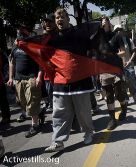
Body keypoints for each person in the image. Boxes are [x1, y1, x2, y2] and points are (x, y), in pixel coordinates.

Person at [44, 8, 95, 152]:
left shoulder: (80, 34)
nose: (59, 20)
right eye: (57, 18)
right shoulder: (51, 39)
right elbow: (42, 53)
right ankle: (58, 141)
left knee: (83, 112)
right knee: (59, 113)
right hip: (60, 82)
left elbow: (92, 50)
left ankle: (88, 133)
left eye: (62, 17)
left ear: (68, 19)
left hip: (81, 82)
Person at [7, 25, 43, 138]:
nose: (20, 31)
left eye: (23, 29)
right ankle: (40, 112)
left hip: (31, 78)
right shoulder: (15, 47)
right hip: (18, 79)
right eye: (19, 30)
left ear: (28, 32)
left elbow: (41, 63)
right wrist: (10, 78)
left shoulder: (33, 46)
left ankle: (35, 125)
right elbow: (11, 62)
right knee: (22, 103)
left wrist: (39, 77)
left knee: (32, 102)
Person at [99, 17, 128, 130]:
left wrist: (112, 55)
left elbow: (123, 52)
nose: (103, 23)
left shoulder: (117, 36)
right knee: (109, 95)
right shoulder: (99, 38)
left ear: (109, 23)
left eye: (105, 21)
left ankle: (124, 109)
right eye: (101, 22)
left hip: (116, 68)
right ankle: (112, 119)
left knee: (119, 94)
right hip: (104, 70)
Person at [113, 24, 136, 103]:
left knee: (132, 83)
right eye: (117, 30)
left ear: (123, 31)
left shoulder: (128, 40)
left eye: (120, 29)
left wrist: (130, 61)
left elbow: (134, 51)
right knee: (122, 84)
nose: (119, 31)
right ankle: (126, 99)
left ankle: (133, 93)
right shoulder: (113, 42)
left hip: (129, 65)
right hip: (119, 67)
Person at [41, 13, 57, 115]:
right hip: (47, 75)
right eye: (46, 22)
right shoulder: (41, 38)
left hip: (59, 73)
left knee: (62, 97)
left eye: (50, 21)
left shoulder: (59, 35)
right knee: (52, 98)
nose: (48, 23)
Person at [0, 48, 11, 124]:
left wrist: (6, 76)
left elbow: (5, 65)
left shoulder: (1, 53)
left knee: (2, 99)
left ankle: (6, 116)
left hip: (0, 80)